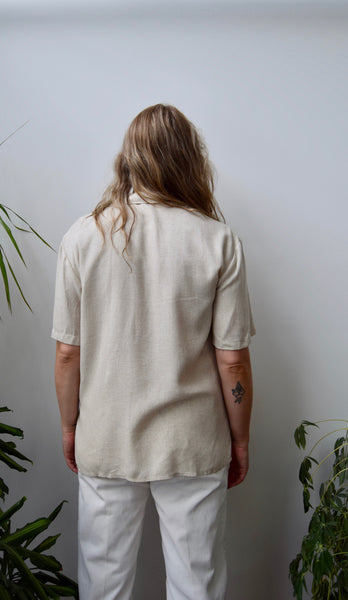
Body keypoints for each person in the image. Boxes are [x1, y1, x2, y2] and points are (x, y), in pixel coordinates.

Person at [52, 104, 255, 600]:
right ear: (189, 159)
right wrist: (240, 439)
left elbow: (67, 354)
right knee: (196, 586)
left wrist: (70, 428)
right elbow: (232, 359)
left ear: (130, 158)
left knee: (104, 587)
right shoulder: (218, 240)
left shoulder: (82, 237)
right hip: (192, 442)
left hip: (106, 437)